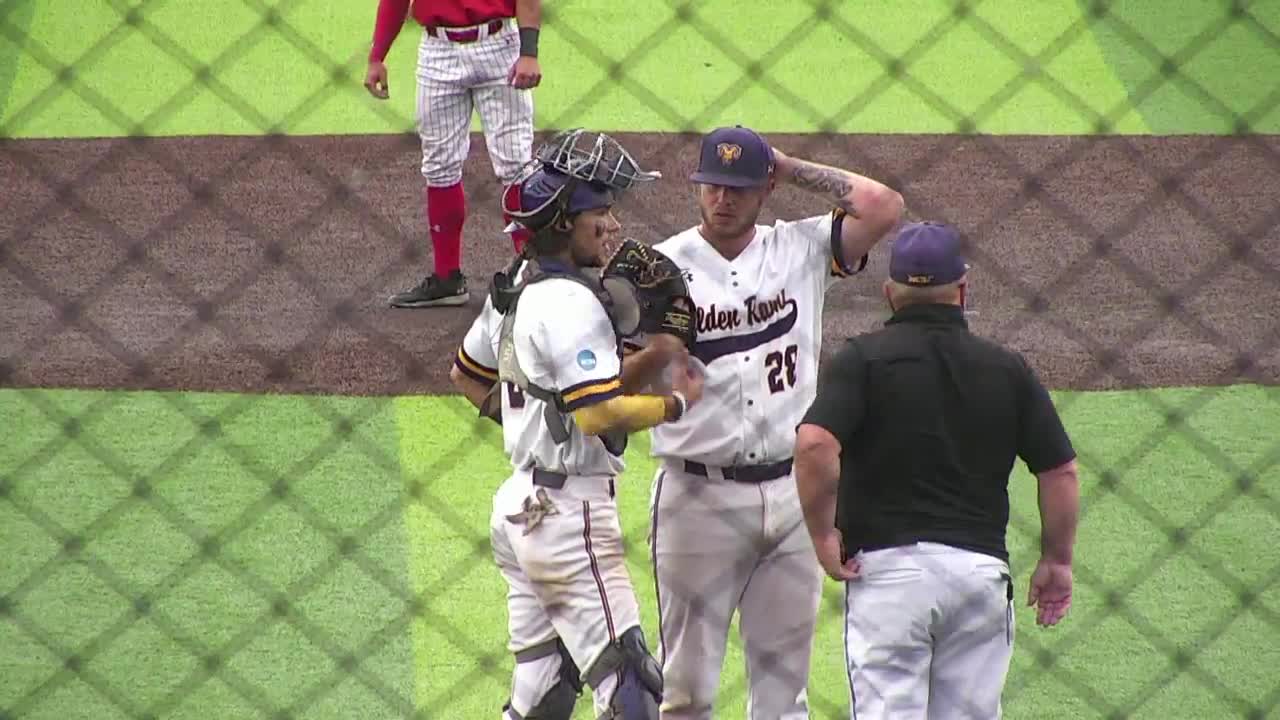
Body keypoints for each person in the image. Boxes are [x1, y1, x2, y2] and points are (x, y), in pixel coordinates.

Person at [627, 125, 904, 719]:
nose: (723, 200)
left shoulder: (799, 248)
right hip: (695, 496)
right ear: (697, 187)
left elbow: (883, 206)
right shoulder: (660, 267)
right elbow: (616, 370)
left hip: (791, 495)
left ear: (765, 189)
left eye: (740, 188)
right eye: (713, 187)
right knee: (686, 693)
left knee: (783, 699)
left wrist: (789, 164)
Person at [449, 128, 703, 720]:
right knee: (632, 688)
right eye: (599, 211)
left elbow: (466, 374)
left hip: (518, 508)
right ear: (563, 220)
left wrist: (531, 418)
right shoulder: (570, 304)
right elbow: (599, 413)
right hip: (570, 520)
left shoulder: (513, 286)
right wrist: (676, 404)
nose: (611, 225)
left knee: (544, 693)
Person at [793, 221, 1081, 719]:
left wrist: (822, 533)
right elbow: (1061, 472)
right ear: (963, 290)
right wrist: (1057, 560)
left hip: (887, 577)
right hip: (978, 577)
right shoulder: (1006, 368)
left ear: (889, 294)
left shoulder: (863, 361)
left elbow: (815, 443)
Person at [365, 0, 544, 308]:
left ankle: (530, 274)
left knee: (515, 163)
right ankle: (447, 277)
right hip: (438, 51)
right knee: (439, 166)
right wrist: (377, 55)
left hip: (498, 47)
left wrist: (529, 53)